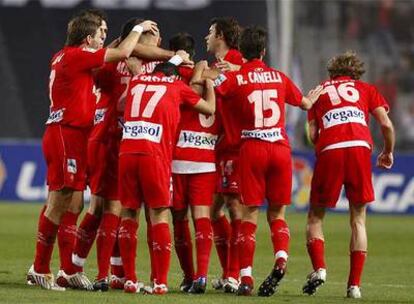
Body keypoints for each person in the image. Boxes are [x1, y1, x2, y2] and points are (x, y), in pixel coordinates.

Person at [26, 9, 157, 290]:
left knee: (74, 203)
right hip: (66, 134)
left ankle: (68, 269)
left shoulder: (67, 55)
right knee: (59, 202)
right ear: (88, 37)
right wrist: (137, 29)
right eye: (101, 33)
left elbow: (110, 52)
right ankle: (39, 268)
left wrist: (122, 39)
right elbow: (121, 53)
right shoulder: (77, 56)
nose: (104, 38)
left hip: (73, 134)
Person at [213, 26, 322, 296]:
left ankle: (246, 278)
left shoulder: (237, 78)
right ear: (263, 51)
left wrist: (225, 71)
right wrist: (312, 98)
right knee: (278, 213)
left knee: (250, 213)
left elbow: (217, 86)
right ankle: (282, 257)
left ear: (242, 52)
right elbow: (305, 104)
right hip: (280, 149)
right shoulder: (279, 77)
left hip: (251, 148)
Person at [117, 62, 215, 294]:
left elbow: (121, 103)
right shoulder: (176, 85)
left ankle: (129, 280)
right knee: (159, 213)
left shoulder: (138, 81)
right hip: (155, 154)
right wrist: (209, 85)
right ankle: (160, 282)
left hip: (127, 151)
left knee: (129, 213)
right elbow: (209, 108)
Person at [303, 51, 395, 299]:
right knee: (358, 219)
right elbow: (386, 124)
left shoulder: (320, 90)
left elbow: (312, 135)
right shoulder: (366, 89)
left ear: (332, 73)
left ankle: (319, 270)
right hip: (360, 148)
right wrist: (387, 151)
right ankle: (354, 286)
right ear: (357, 73)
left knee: (315, 217)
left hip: (330, 149)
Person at [169, 32, 217, 294]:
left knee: (178, 219)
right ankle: (200, 276)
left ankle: (188, 276)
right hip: (204, 158)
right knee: (202, 218)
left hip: (177, 157)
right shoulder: (207, 74)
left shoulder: (168, 76)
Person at [204, 17, 244, 293]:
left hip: (237, 146)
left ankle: (235, 274)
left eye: (210, 32)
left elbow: (252, 76)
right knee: (213, 209)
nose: (206, 37)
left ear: (220, 35)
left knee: (234, 207)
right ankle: (230, 271)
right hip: (220, 146)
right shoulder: (217, 66)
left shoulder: (236, 59)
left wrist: (205, 73)